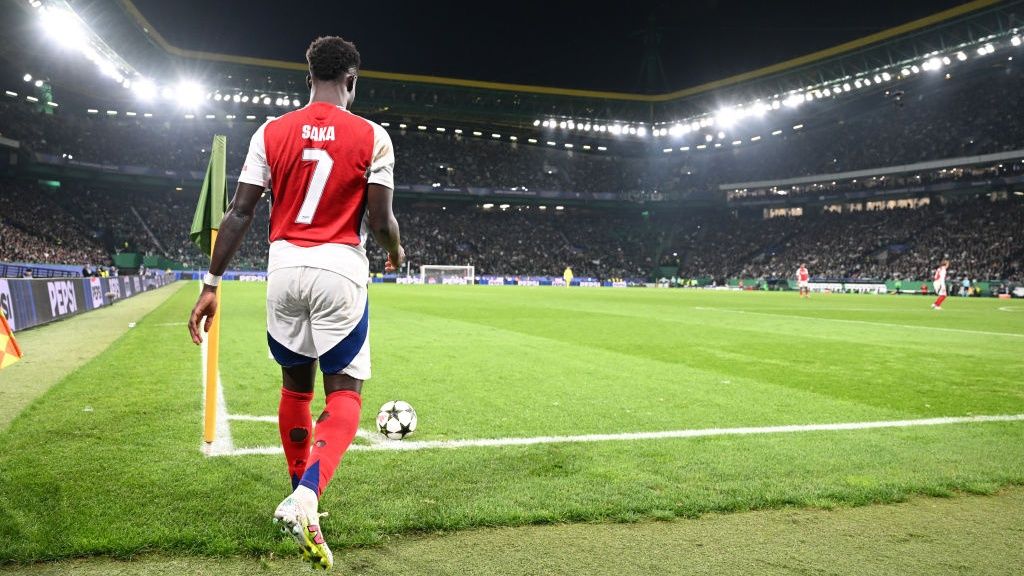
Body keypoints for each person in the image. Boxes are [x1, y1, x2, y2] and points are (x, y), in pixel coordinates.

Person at [187, 35, 403, 571]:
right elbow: (379, 221)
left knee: (294, 387)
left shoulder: (270, 131)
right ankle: (308, 498)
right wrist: (396, 250)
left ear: (308, 77)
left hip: (282, 268)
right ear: (351, 82)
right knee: (346, 394)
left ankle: (296, 488)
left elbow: (239, 213)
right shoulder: (373, 136)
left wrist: (211, 281)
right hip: (339, 268)